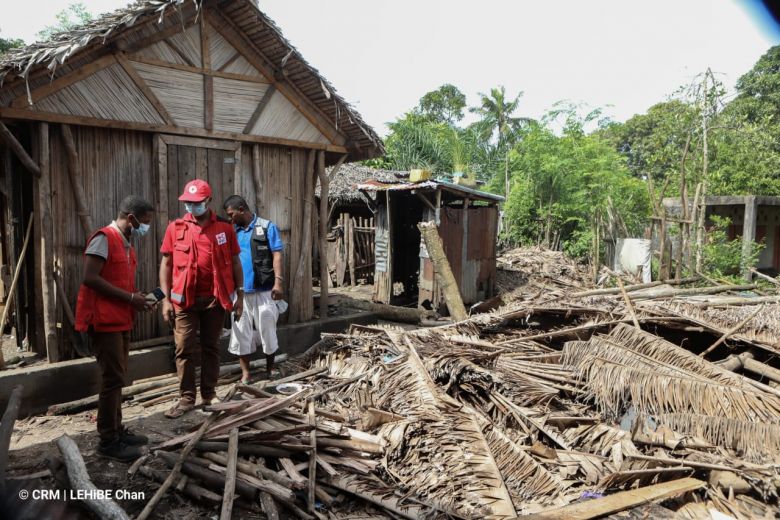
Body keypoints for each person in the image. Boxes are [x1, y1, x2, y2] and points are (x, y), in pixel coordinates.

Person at [74, 195, 155, 462]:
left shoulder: (126, 242)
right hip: (103, 320)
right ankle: (108, 441)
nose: (146, 228)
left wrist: (138, 298)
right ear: (131, 218)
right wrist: (131, 299)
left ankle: (117, 431)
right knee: (112, 379)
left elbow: (118, 282)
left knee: (118, 377)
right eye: (145, 222)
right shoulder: (103, 238)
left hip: (120, 319)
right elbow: (89, 278)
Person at [160, 180, 244, 419]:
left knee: (211, 347)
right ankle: (187, 398)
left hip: (215, 300)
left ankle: (208, 394)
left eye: (196, 203)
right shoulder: (175, 228)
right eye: (188, 202)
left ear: (208, 201)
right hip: (184, 301)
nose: (191, 206)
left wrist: (240, 295)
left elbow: (236, 262)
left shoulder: (225, 229)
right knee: (184, 348)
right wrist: (166, 300)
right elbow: (166, 264)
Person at [223, 195, 285, 383]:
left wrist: (278, 282)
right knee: (241, 331)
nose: (229, 218)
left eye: (231, 214)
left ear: (242, 209)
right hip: (240, 292)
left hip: (265, 290)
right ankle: (246, 374)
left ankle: (270, 369)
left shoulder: (267, 227)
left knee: (268, 328)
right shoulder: (231, 232)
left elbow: (277, 254)